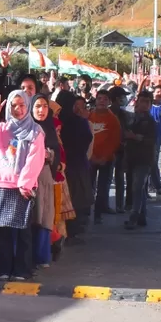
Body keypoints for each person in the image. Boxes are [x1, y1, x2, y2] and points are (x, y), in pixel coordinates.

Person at [0, 90, 46, 281]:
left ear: (27, 106)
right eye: (14, 105)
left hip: (24, 188)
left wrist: (25, 183)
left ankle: (22, 270)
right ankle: (4, 269)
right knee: (4, 231)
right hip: (2, 185)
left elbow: (35, 158)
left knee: (23, 232)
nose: (18, 109)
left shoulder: (35, 130)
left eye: (22, 105)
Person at [30, 94, 62, 268]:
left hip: (44, 177)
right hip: (28, 179)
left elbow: (56, 151)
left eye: (44, 106)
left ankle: (42, 255)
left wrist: (50, 155)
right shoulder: (26, 127)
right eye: (37, 106)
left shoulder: (49, 128)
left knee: (44, 216)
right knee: (31, 217)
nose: (41, 110)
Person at [56, 91, 94, 235]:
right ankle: (75, 228)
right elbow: (88, 138)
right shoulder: (79, 121)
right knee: (77, 198)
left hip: (61, 166)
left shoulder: (55, 122)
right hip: (78, 163)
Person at [123, 89, 158, 230]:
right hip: (132, 157)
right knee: (139, 187)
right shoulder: (132, 118)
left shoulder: (150, 121)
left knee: (137, 187)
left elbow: (151, 140)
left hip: (145, 158)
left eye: (147, 102)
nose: (143, 105)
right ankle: (142, 215)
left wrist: (134, 137)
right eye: (141, 101)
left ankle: (134, 215)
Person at [88, 89, 122, 218]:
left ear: (109, 102)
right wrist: (91, 156)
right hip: (91, 158)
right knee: (89, 186)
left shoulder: (113, 119)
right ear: (95, 101)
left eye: (105, 99)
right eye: (99, 98)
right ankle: (87, 211)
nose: (102, 101)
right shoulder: (90, 116)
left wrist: (104, 157)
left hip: (106, 159)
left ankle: (99, 212)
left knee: (103, 188)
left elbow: (115, 140)